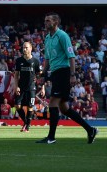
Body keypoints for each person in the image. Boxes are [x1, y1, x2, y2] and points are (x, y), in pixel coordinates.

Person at [36, 13, 98, 144]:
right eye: (45, 21)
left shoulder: (63, 36)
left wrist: (72, 75)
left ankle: (51, 137)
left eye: (48, 21)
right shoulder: (47, 38)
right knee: (64, 108)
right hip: (55, 73)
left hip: (63, 72)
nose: (45, 23)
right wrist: (43, 74)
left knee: (52, 102)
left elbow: (71, 56)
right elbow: (47, 59)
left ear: (56, 22)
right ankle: (90, 130)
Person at [12, 40, 43, 133]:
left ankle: (27, 127)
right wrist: (16, 86)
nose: (24, 49)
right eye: (23, 47)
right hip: (21, 86)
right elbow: (16, 75)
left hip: (31, 87)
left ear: (31, 48)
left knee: (30, 107)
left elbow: (41, 74)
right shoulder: (19, 60)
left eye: (26, 47)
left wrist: (41, 85)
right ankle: (26, 122)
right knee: (17, 105)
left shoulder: (35, 61)